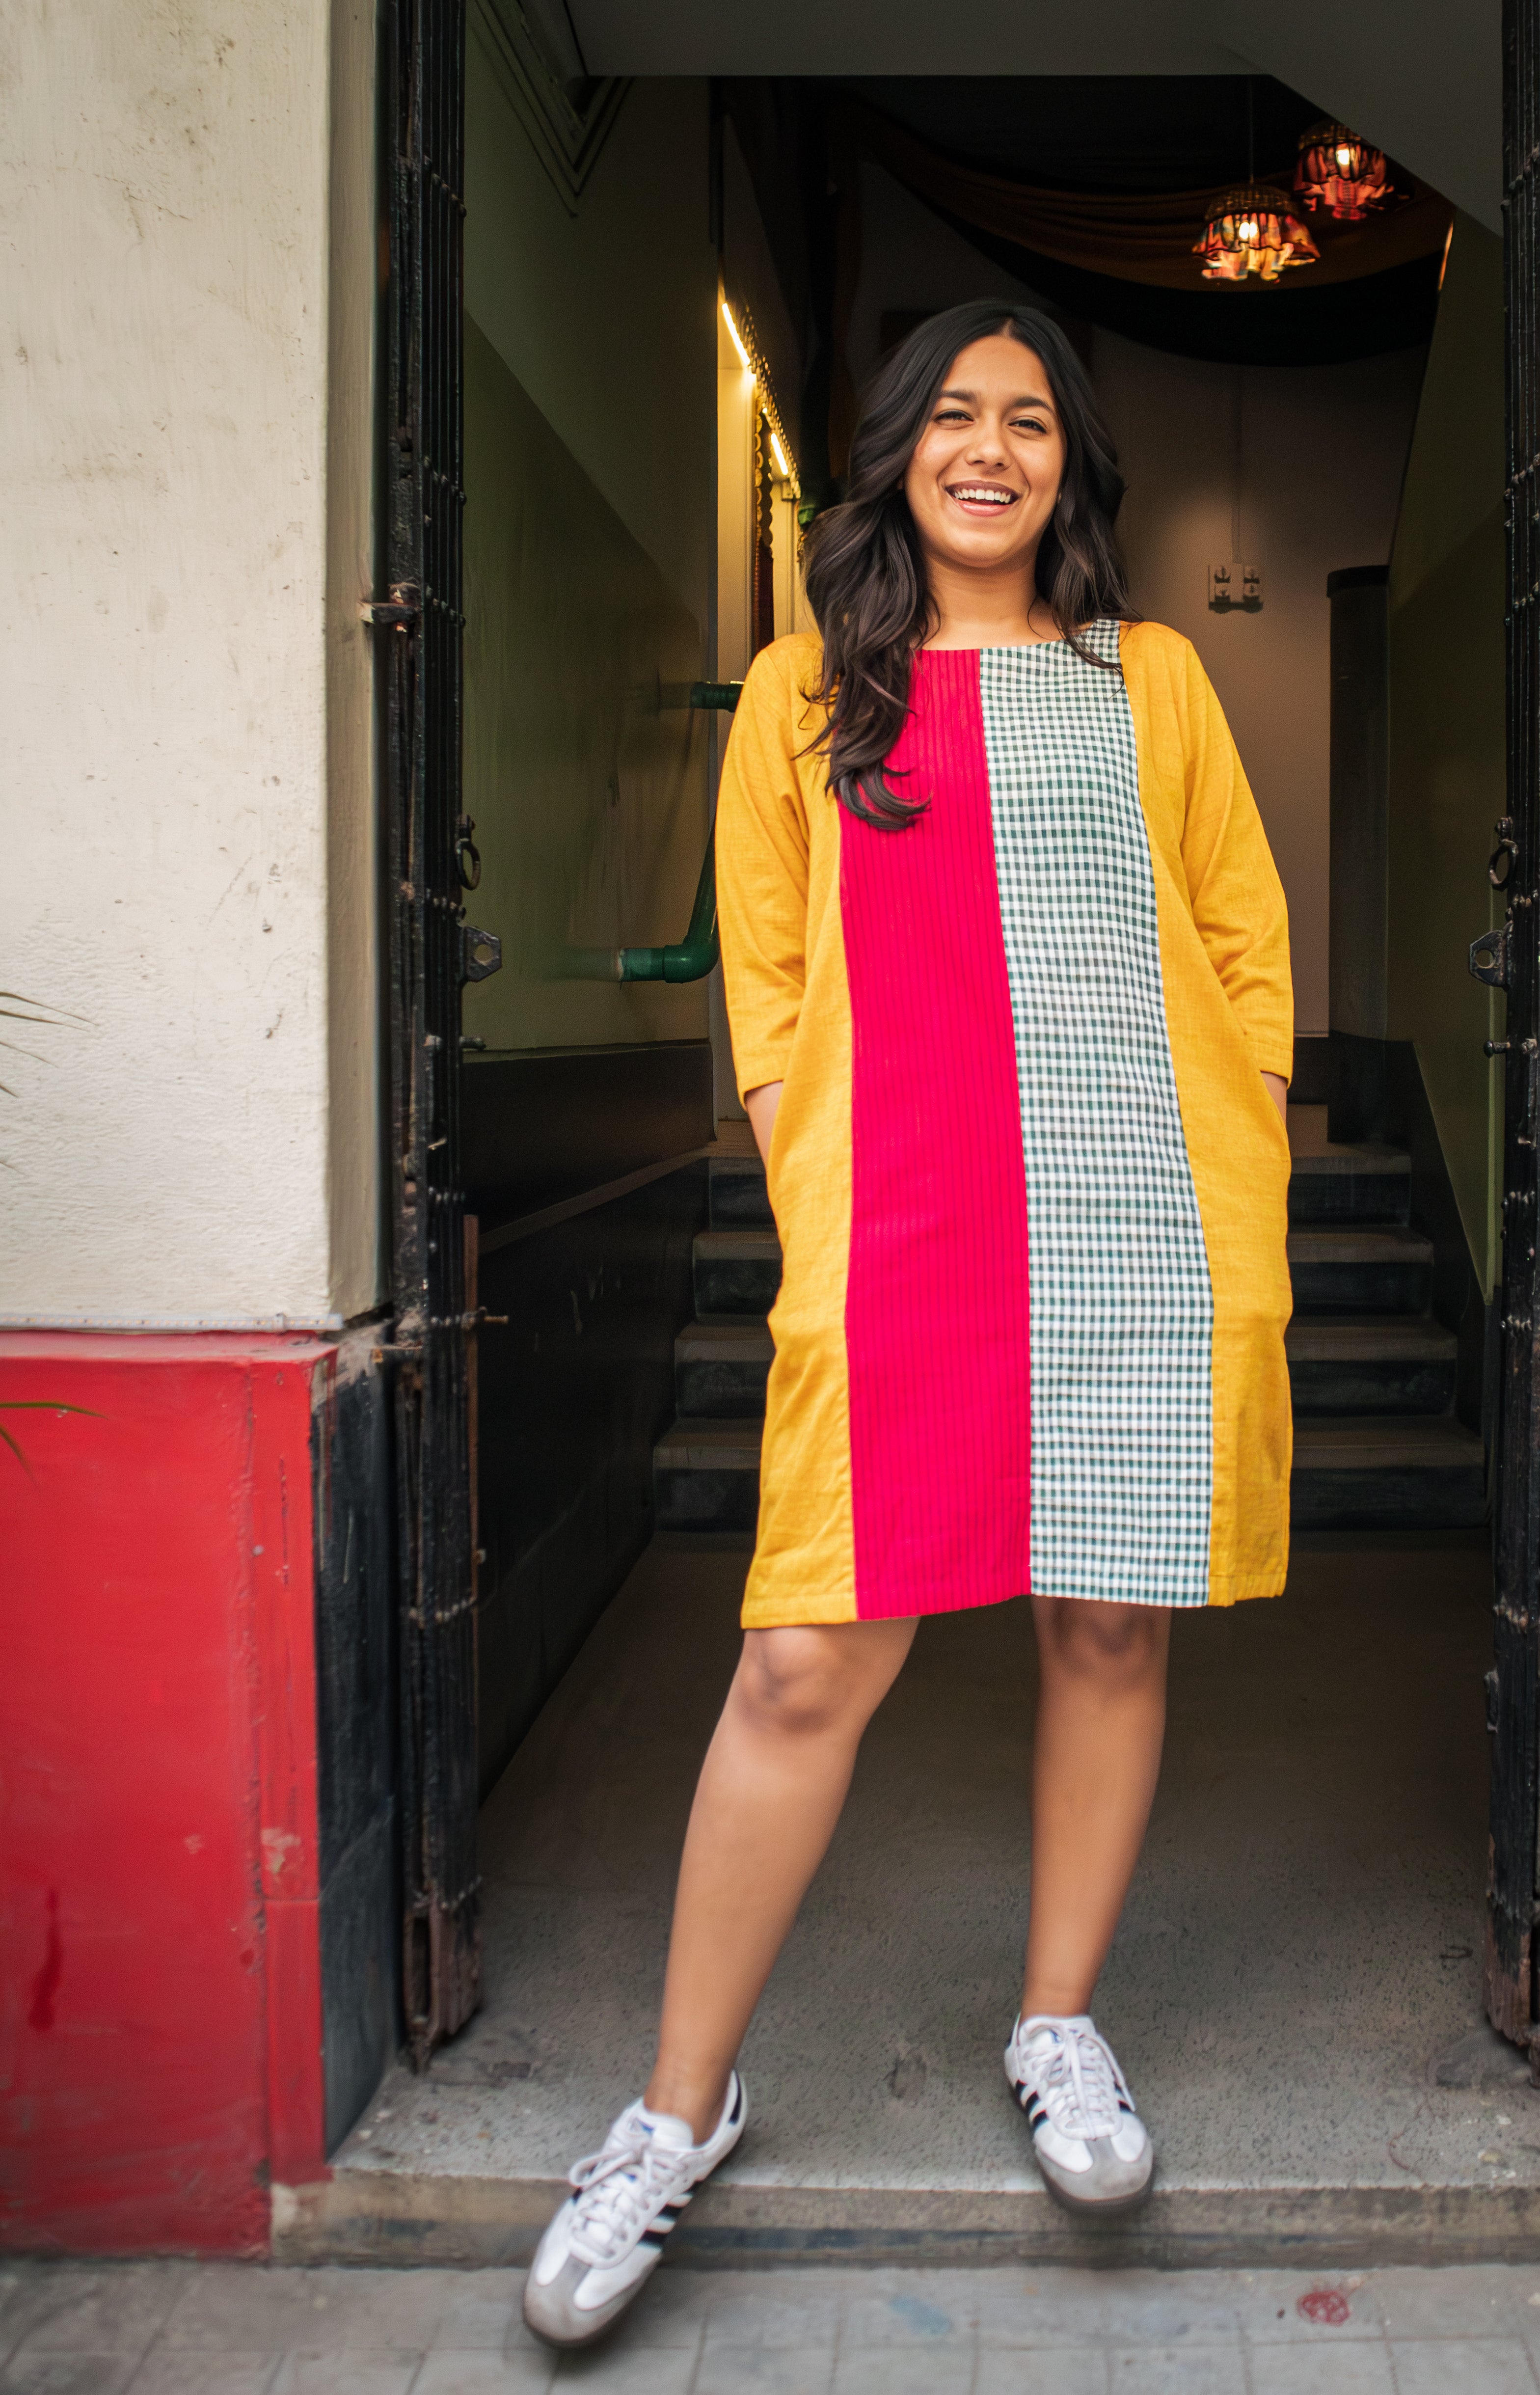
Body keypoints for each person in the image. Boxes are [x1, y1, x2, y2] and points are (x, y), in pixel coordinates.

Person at [524, 299, 1294, 2348]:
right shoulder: (804, 692)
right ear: (893, 455)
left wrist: (1242, 1167)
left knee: (1108, 1613)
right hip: (905, 1229)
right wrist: (809, 1171)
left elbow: (1240, 930)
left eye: (1025, 419)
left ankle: (1057, 2020)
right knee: (803, 1656)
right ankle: (674, 2108)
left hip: (1132, 1207)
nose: (988, 448)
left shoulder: (1156, 680)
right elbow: (764, 984)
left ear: (1070, 464)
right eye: (952, 415)